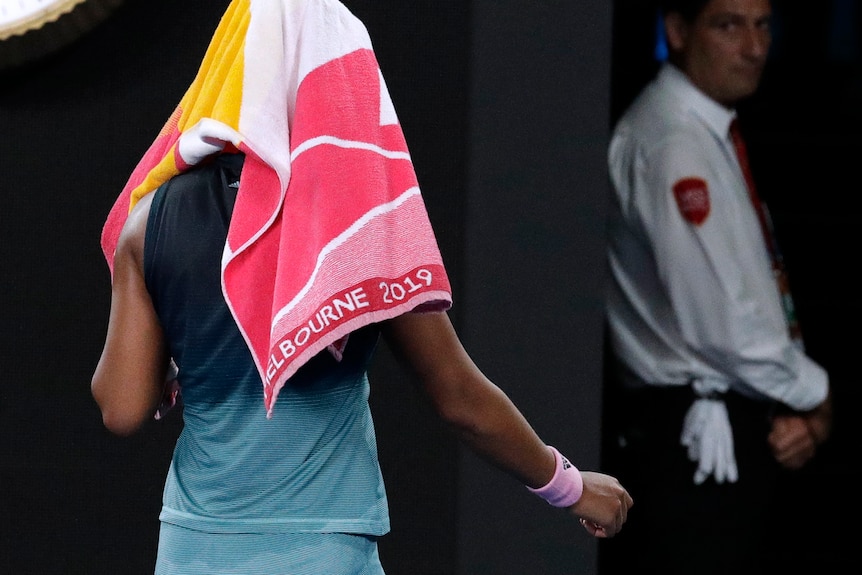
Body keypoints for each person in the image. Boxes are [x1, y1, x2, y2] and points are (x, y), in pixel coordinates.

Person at [91, 1, 632, 573]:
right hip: (322, 552)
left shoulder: (148, 222)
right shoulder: (359, 223)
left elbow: (123, 408)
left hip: (194, 548)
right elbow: (459, 398)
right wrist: (568, 485)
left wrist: (179, 350)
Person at [599, 0, 832, 573]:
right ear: (677, 30)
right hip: (696, 447)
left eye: (763, 25)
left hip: (719, 426)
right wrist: (814, 395)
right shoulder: (673, 143)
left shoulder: (703, 131)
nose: (755, 48)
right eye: (730, 25)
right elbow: (722, 324)